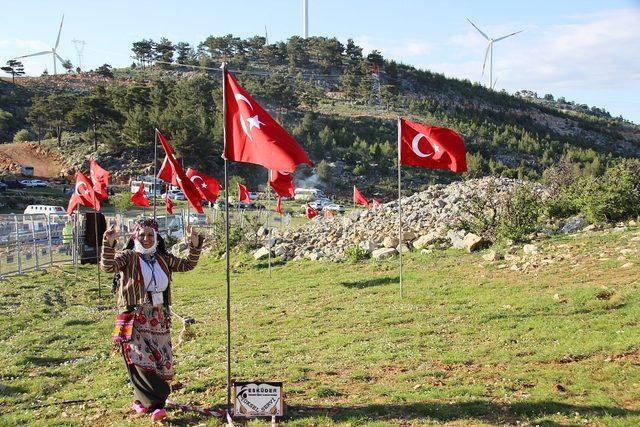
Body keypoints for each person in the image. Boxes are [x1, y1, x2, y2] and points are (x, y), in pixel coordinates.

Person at [101, 218, 203, 422]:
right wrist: (109, 244)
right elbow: (108, 267)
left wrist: (194, 244)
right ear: (134, 237)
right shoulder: (128, 257)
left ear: (156, 237)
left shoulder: (163, 258)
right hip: (135, 317)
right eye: (141, 235)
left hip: (159, 317)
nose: (146, 239)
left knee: (159, 360)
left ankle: (141, 401)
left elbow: (188, 264)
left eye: (150, 235)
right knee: (140, 359)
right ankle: (155, 404)